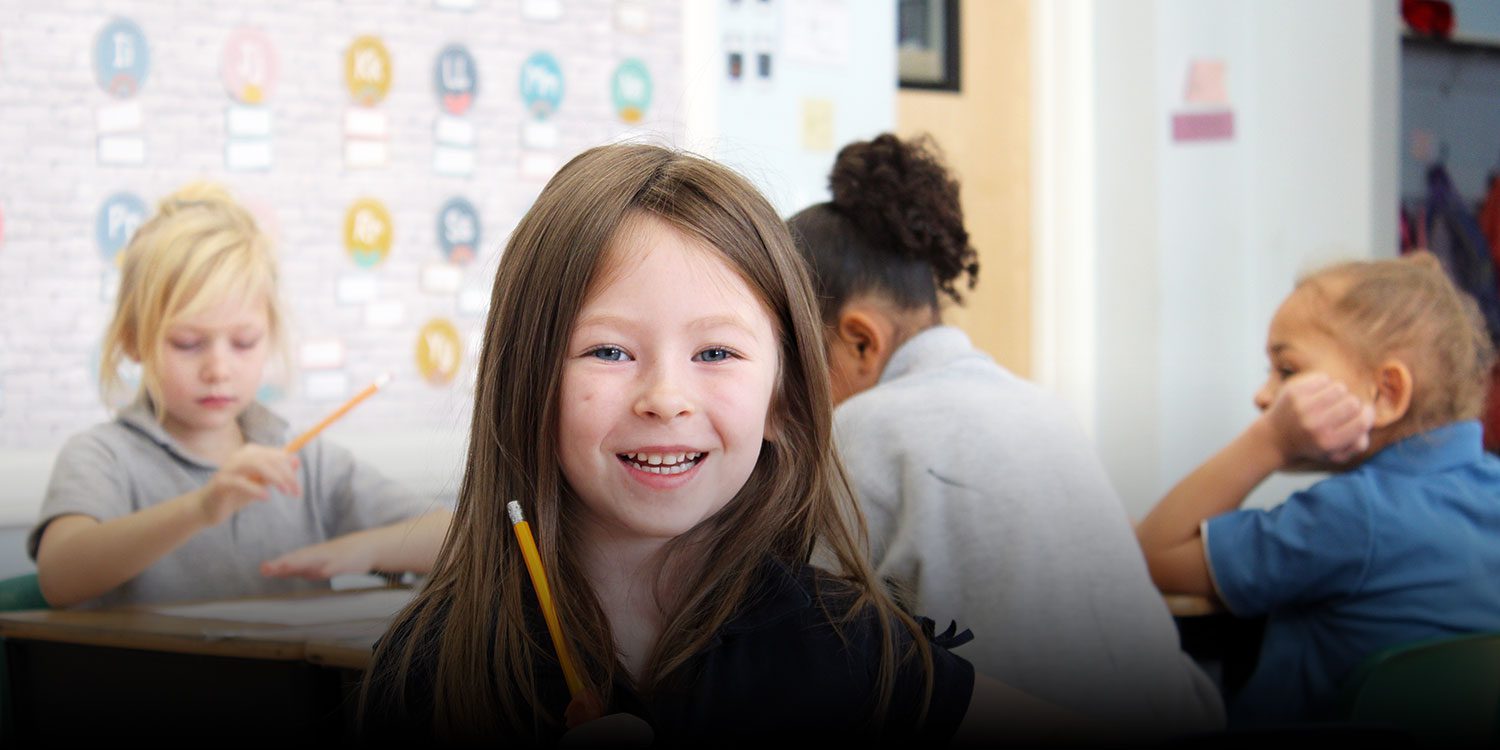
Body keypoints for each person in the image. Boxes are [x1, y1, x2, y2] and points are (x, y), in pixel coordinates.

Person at [359, 144, 1081, 745]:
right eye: (607, 352)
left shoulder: (850, 647)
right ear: (527, 383)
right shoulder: (433, 669)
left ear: (786, 396)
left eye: (716, 354)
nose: (666, 397)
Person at [784, 133, 1223, 737]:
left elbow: (801, 640)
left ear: (861, 341)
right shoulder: (1041, 406)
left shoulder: (863, 431)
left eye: (796, 357)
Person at [30, 183, 452, 609]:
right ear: (133, 341)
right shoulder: (102, 456)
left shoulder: (304, 459)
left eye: (244, 341)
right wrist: (200, 508)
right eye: (188, 343)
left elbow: (454, 539)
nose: (218, 369)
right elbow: (60, 577)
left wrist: (366, 549)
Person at [1136, 252, 1500, 726]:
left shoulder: (1351, 517)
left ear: (1386, 393)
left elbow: (1147, 555)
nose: (1263, 396)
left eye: (1286, 371)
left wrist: (1268, 443)